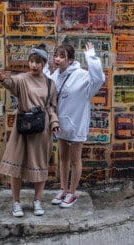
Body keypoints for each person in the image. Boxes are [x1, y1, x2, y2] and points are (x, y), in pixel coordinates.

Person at [0, 44, 60, 217]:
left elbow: (51, 107)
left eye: (38, 62)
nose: (34, 65)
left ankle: (37, 201)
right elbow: (10, 83)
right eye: (31, 61)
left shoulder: (50, 83)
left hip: (41, 129)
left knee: (40, 165)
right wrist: (2, 78)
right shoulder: (22, 79)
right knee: (16, 164)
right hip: (22, 128)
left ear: (44, 63)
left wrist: (54, 123)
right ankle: (16, 203)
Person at [45, 42, 105, 208]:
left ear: (70, 60)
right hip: (60, 123)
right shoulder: (55, 75)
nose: (57, 59)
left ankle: (72, 193)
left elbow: (98, 78)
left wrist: (91, 57)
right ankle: (63, 189)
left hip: (76, 123)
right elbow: (46, 87)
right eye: (56, 55)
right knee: (63, 158)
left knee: (75, 160)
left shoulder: (81, 75)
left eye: (62, 56)